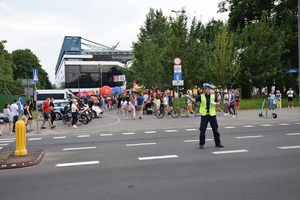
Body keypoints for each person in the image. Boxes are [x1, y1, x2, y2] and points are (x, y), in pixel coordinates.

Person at [188, 83, 224, 149]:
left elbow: (218, 104)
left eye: (206, 88)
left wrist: (215, 103)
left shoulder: (213, 96)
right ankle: (201, 143)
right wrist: (189, 97)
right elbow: (194, 100)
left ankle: (218, 143)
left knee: (215, 129)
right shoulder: (201, 96)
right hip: (204, 115)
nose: (204, 90)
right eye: (204, 89)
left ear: (209, 89)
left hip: (212, 115)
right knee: (202, 129)